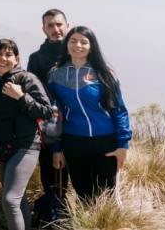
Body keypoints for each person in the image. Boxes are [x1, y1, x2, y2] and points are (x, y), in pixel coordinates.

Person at [0, 39, 52, 230]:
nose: (3, 58)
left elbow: (46, 111)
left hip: (25, 147)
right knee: (18, 199)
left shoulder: (27, 79)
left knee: (10, 200)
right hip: (1, 149)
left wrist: (21, 96)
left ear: (17, 59)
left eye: (8, 55)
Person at [48, 26, 132, 201]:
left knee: (108, 197)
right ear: (66, 45)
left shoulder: (103, 73)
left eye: (84, 42)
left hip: (105, 142)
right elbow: (55, 115)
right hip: (74, 142)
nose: (78, 45)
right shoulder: (56, 75)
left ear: (91, 46)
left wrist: (123, 145)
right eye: (73, 41)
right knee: (84, 195)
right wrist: (57, 148)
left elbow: (119, 109)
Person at [27, 8, 71, 196]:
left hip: (79, 126)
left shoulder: (77, 53)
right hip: (51, 128)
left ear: (67, 26)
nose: (56, 29)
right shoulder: (36, 58)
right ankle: (55, 211)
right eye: (50, 25)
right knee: (53, 182)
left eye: (59, 24)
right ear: (44, 29)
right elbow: (32, 94)